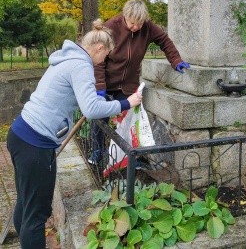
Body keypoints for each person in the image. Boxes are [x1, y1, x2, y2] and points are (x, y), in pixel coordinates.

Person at [6, 19, 143, 249]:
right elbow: (90, 110)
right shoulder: (81, 65)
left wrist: (102, 99)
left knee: (27, 204)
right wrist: (125, 103)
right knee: (37, 217)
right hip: (35, 146)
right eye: (106, 55)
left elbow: (79, 98)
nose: (104, 61)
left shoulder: (66, 58)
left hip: (20, 135)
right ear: (99, 48)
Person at [89, 0, 190, 164]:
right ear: (125, 17)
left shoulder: (149, 28)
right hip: (106, 81)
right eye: (132, 23)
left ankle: (127, 158)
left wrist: (176, 60)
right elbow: (98, 60)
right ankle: (97, 152)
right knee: (99, 119)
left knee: (129, 120)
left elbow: (165, 42)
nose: (135, 27)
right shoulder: (111, 27)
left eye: (139, 24)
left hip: (128, 83)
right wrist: (100, 86)